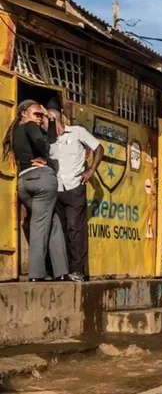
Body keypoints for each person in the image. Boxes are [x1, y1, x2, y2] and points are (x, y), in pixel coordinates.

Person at [3, 100, 69, 282]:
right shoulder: (30, 126)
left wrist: (51, 121)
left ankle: (61, 272)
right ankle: (37, 273)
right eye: (37, 114)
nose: (40, 119)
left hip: (25, 182)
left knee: (53, 222)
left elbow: (46, 140)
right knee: (40, 225)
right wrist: (46, 158)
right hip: (41, 180)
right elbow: (46, 142)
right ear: (24, 113)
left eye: (41, 116)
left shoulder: (15, 132)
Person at [46, 99, 103, 282]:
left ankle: (78, 270)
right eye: (47, 116)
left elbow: (99, 148)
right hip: (57, 189)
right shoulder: (48, 140)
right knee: (60, 230)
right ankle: (61, 270)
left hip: (74, 187)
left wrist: (91, 170)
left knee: (75, 228)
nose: (50, 118)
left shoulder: (77, 132)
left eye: (52, 114)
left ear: (60, 113)